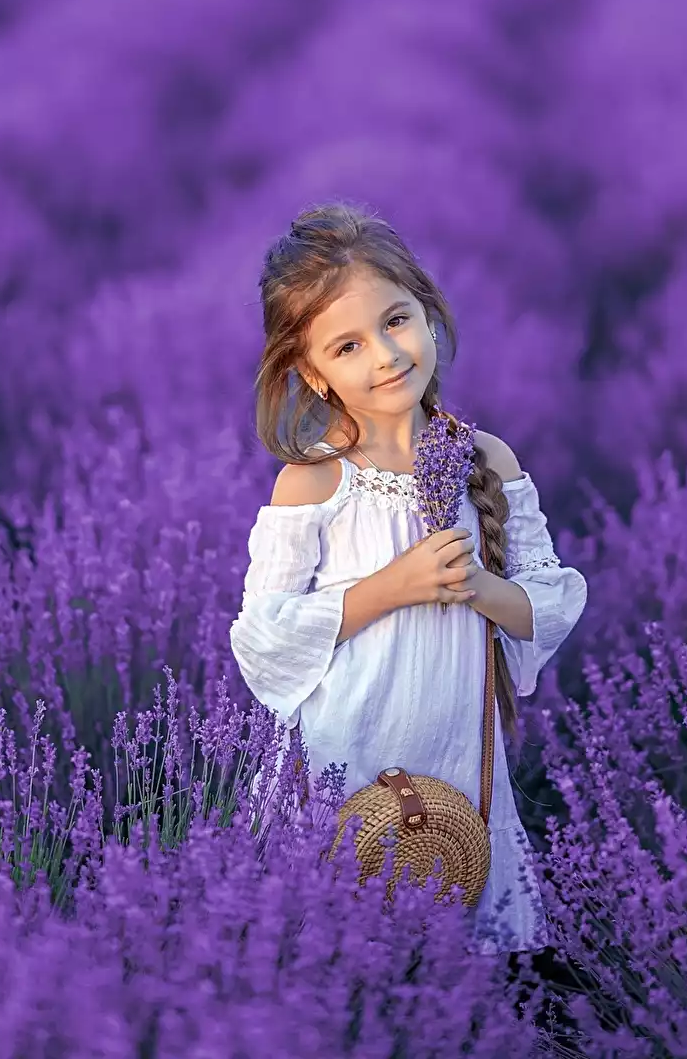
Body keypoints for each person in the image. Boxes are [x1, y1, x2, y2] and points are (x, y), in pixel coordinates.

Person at [228, 200, 589, 965]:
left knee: (450, 903)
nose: (387, 354)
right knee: (337, 931)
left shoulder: (487, 461)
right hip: (346, 750)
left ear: (428, 312)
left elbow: (549, 602)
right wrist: (393, 586)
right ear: (313, 374)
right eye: (348, 345)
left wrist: (476, 588)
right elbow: (263, 638)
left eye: (397, 321)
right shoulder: (316, 481)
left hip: (453, 748)